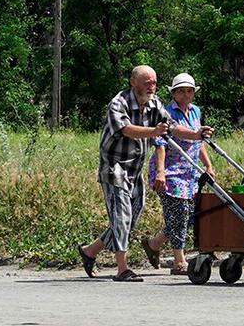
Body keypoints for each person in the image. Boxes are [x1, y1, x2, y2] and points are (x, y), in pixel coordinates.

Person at [76, 65, 212, 281]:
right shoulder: (118, 103)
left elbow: (172, 126)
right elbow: (125, 129)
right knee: (122, 215)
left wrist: (196, 135)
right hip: (114, 167)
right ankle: (122, 269)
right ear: (133, 82)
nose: (151, 87)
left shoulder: (154, 103)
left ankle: (90, 251)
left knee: (131, 216)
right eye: (147, 82)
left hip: (134, 168)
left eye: (154, 82)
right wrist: (153, 132)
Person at [141, 73, 214, 275]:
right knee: (179, 213)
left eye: (189, 90)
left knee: (191, 215)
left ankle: (154, 244)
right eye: (181, 91)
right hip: (169, 171)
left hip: (189, 172)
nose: (185, 94)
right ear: (173, 93)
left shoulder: (195, 111)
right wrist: (161, 173)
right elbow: (162, 143)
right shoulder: (166, 112)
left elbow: (198, 142)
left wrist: (208, 165)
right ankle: (179, 261)